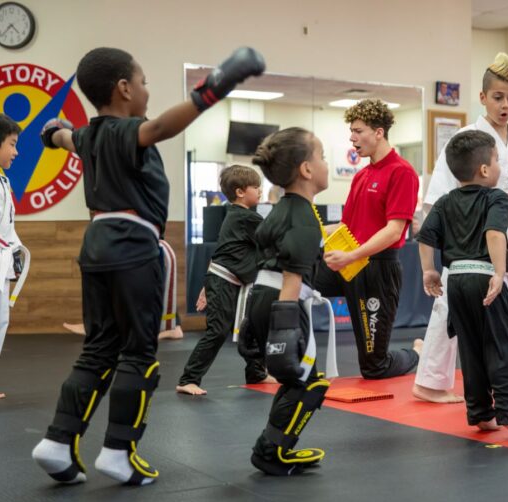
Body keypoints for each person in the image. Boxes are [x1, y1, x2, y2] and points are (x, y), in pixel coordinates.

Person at [31, 46, 265, 485]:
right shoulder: (125, 130)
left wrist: (52, 132)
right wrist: (216, 86)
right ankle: (119, 451)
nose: (146, 91)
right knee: (140, 353)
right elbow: (160, 127)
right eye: (143, 83)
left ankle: (58, 442)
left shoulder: (87, 135)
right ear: (123, 89)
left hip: (97, 244)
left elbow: (61, 138)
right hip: (132, 245)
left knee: (99, 348)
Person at [413, 52, 508, 403]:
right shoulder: (466, 138)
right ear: (483, 97)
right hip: (469, 229)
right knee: (451, 305)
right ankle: (429, 382)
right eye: (499, 97)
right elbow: (439, 193)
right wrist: (436, 249)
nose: (506, 105)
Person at [418, 130, 508, 439]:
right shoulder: (496, 197)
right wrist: (498, 273)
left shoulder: (445, 201)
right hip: (484, 276)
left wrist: (428, 271)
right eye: (496, 160)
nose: (498, 166)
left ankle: (481, 413)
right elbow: (494, 234)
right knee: (502, 346)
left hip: (456, 281)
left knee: (470, 348)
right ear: (484, 169)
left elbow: (426, 237)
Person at [313, 99, 420, 379]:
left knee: (374, 367)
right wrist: (309, 229)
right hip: (349, 263)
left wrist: (352, 255)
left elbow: (394, 230)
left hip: (377, 270)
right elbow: (347, 225)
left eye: (358, 130)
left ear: (378, 132)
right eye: (351, 131)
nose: (352, 137)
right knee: (295, 279)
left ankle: (418, 352)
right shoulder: (361, 175)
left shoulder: (402, 172)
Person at [246, 127, 330, 476]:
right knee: (309, 383)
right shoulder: (305, 218)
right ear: (307, 170)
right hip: (286, 300)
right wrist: (285, 333)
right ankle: (273, 452)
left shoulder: (283, 209)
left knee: (296, 379)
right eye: (322, 156)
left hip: (264, 295)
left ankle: (270, 446)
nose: (327, 163)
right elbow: (293, 279)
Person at [176, 165, 272, 396]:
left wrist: (205, 286)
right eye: (256, 187)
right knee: (218, 330)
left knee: (254, 326)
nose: (260, 191)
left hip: (225, 279)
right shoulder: (246, 217)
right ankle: (188, 379)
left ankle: (257, 372)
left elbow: (222, 252)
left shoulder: (235, 215)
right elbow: (272, 236)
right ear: (240, 192)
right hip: (223, 281)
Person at [0, 113, 23, 400]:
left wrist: (16, 251)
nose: (16, 152)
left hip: (3, 258)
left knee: (2, 318)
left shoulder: (3, 181)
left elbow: (7, 225)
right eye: (12, 144)